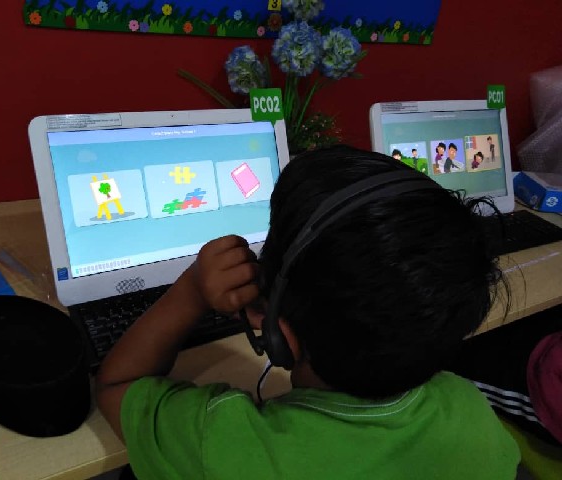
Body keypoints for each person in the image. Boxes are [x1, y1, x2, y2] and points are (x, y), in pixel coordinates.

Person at [96, 145, 519, 480]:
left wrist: (191, 291)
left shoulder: (222, 444)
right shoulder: (471, 410)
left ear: (279, 336)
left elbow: (116, 384)